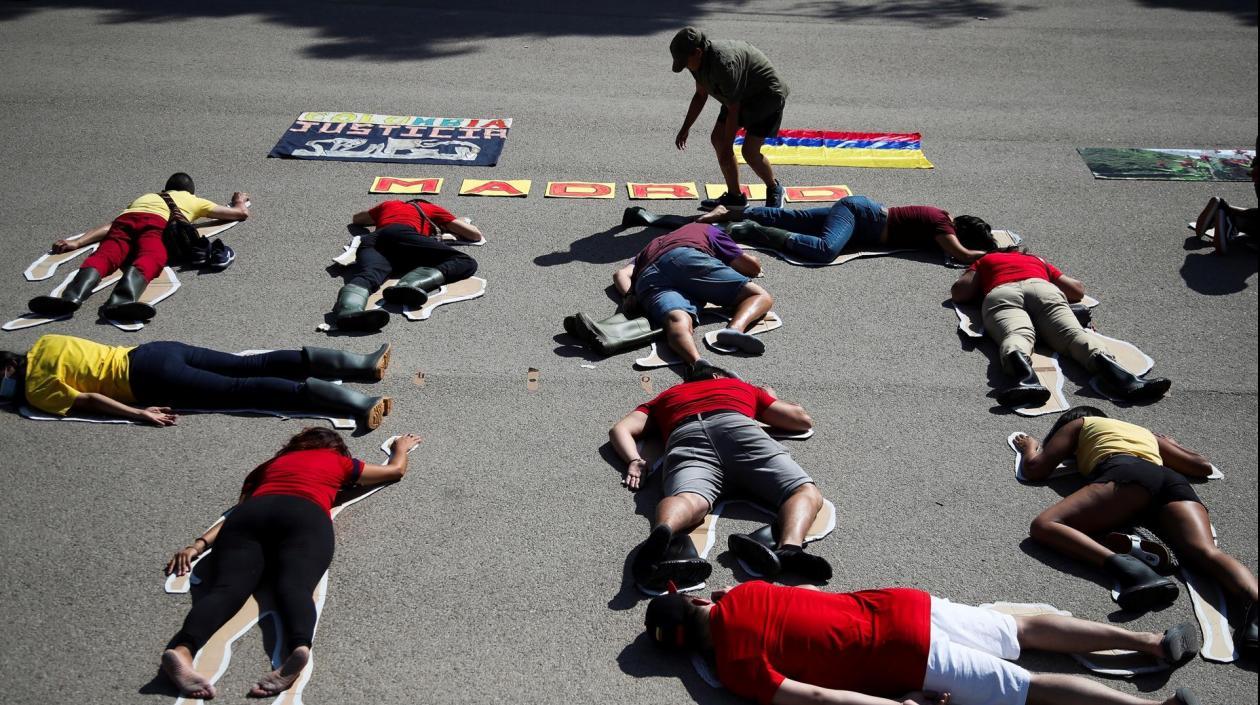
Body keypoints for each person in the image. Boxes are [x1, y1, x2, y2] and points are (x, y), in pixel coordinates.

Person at [159, 428, 422, 699]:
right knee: (295, 587)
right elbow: (394, 471)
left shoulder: (270, 465)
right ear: (337, 448)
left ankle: (182, 651)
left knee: (227, 590)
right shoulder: (338, 462)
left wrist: (197, 545)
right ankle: (298, 649)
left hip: (252, 514)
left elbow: (235, 512)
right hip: (304, 514)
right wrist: (400, 448)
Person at [644, 580, 1204, 705]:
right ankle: (1152, 642)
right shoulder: (744, 592)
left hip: (904, 658)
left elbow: (815, 698)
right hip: (901, 607)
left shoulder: (737, 668)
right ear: (693, 600)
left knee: (1027, 687)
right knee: (1024, 630)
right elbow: (808, 593)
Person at [1013, 406, 1257, 647]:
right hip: (1171, 481)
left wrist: (1030, 447)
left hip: (1127, 474)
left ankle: (1136, 571)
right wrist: (1171, 443)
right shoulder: (1144, 432)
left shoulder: (1079, 424)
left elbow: (1036, 469)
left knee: (1046, 525)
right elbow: (1201, 466)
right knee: (1205, 552)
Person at [609, 365, 829, 591]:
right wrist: (771, 398)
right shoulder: (738, 386)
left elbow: (620, 429)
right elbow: (800, 420)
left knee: (689, 498)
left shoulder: (666, 397)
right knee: (802, 490)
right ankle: (790, 547)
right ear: (716, 376)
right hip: (736, 428)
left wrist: (634, 460)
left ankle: (665, 529)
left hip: (685, 436)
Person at [950, 235, 1170, 407]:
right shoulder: (1035, 260)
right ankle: (1123, 379)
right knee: (1073, 335)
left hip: (1002, 293)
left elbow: (960, 292)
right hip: (1042, 289)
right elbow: (1076, 290)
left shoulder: (986, 260)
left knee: (1016, 335)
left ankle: (1026, 379)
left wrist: (981, 282)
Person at [0, 334, 393, 430]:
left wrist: (139, 413)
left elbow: (88, 399)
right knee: (249, 364)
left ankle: (357, 404)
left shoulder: (36, 391)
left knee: (242, 391)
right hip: (154, 351)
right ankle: (361, 363)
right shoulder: (46, 342)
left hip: (147, 380)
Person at [27, 173, 250, 321]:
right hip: (154, 225)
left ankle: (71, 297)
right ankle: (121, 301)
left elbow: (110, 226)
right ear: (190, 192)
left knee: (105, 256)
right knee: (152, 257)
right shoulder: (192, 200)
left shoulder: (145, 197)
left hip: (124, 223)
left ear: (165, 188)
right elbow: (239, 214)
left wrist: (77, 242)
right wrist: (239, 200)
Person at [613, 222, 772, 371]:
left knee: (676, 317)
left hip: (647, 278)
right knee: (758, 295)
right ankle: (734, 330)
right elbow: (752, 268)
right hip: (684, 259)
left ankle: (697, 364)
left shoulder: (652, 245)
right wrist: (753, 259)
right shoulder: (707, 229)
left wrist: (629, 295)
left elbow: (621, 274)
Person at [670, 26, 790, 211]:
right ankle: (735, 197)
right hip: (739, 95)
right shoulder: (696, 62)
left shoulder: (724, 66)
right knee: (718, 139)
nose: (685, 66)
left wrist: (728, 147)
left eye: (685, 62)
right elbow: (700, 95)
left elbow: (734, 111)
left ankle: (774, 188)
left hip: (766, 96)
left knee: (749, 152)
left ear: (697, 52)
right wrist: (685, 128)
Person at [330, 198, 482, 332]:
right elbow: (474, 235)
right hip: (402, 235)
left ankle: (348, 311)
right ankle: (410, 284)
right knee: (465, 261)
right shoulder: (429, 208)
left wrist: (382, 216)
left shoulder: (389, 204)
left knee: (369, 274)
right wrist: (444, 226)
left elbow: (357, 219)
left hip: (373, 241)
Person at [697, 198, 992, 264]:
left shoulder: (940, 219)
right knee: (825, 250)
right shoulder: (942, 223)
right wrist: (997, 254)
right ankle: (752, 228)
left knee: (791, 218)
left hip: (859, 216)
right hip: (859, 216)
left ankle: (729, 211)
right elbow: (962, 255)